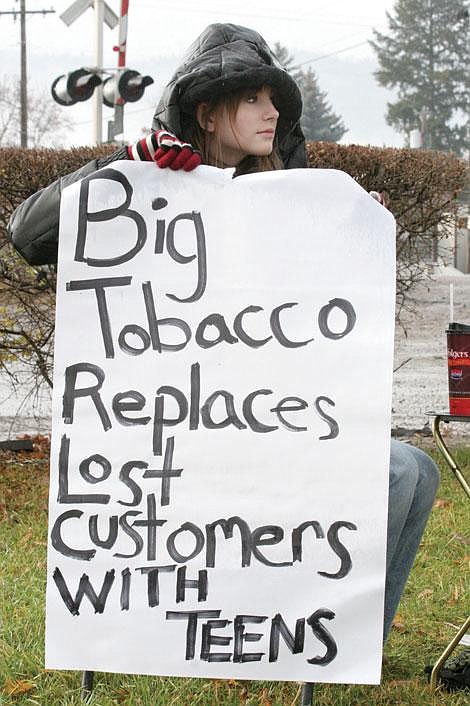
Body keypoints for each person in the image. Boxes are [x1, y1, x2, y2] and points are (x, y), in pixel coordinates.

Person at [8, 22, 439, 643]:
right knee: (398, 472)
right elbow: (28, 236)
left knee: (416, 471)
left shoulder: (284, 197)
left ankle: (346, 639)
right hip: (171, 441)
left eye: (274, 101)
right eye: (253, 99)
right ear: (208, 114)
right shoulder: (147, 185)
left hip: (259, 422)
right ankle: (317, 640)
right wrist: (124, 165)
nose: (272, 112)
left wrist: (354, 233)